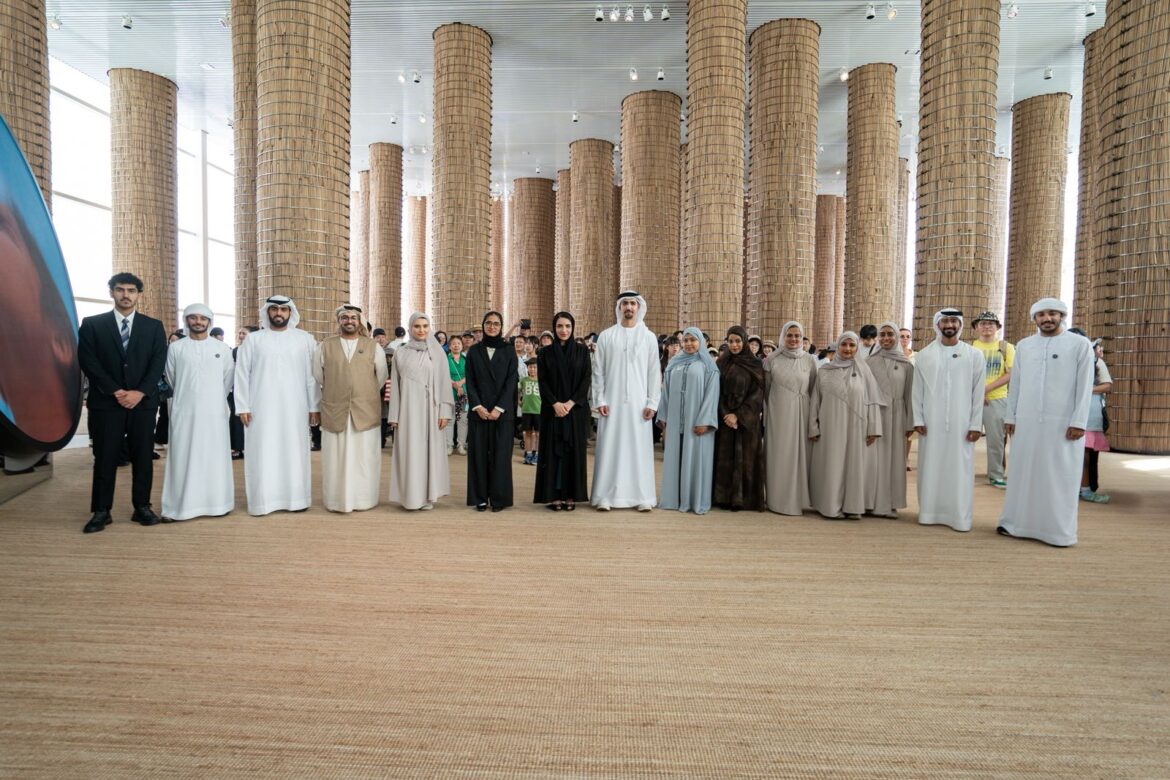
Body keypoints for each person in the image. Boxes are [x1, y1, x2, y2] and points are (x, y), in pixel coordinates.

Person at [998, 298, 1095, 547]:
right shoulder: (1025, 346)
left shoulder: (1079, 344)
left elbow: (1085, 386)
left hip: (1063, 423)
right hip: (1027, 420)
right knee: (1024, 472)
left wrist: (1079, 421)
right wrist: (1011, 415)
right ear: (1035, 319)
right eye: (1041, 315)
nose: (1047, 318)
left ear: (1062, 316)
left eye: (1052, 313)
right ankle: (1016, 524)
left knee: (1059, 475)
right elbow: (1016, 383)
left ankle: (1058, 532)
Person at [77, 272, 168, 533]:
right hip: (107, 403)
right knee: (105, 457)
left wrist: (140, 392)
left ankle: (142, 507)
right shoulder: (93, 324)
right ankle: (101, 511)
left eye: (131, 290)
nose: (125, 295)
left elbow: (157, 363)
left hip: (143, 403)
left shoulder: (153, 326)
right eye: (120, 289)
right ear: (111, 293)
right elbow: (88, 361)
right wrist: (115, 391)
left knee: (143, 457)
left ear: (139, 294)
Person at [233, 294, 320, 516]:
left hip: (296, 407)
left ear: (290, 312)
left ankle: (297, 500)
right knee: (263, 451)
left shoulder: (305, 339)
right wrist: (242, 406)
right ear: (267, 312)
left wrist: (314, 406)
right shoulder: (253, 340)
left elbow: (312, 376)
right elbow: (242, 373)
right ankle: (263, 502)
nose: (278, 313)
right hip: (260, 407)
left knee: (295, 451)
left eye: (283, 309)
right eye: (274, 309)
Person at [912, 309, 985, 532]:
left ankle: (959, 517)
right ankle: (929, 513)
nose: (949, 325)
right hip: (931, 423)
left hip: (962, 423)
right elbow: (917, 390)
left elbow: (978, 393)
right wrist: (918, 418)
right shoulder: (925, 355)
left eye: (954, 321)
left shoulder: (974, 355)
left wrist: (976, 424)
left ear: (960, 325)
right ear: (938, 325)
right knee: (930, 467)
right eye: (945, 321)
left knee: (960, 470)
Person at [161, 303, 234, 521]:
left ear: (209, 322)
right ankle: (179, 507)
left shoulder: (222, 349)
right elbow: (171, 378)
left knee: (214, 456)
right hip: (185, 410)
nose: (198, 322)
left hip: (214, 412)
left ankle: (217, 504)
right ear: (186, 321)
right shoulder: (176, 348)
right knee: (183, 456)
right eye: (193, 318)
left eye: (203, 318)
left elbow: (227, 381)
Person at [313, 304, 388, 513]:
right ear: (339, 321)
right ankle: (336, 500)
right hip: (335, 409)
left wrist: (362, 390)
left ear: (359, 321)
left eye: (353, 318)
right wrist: (339, 387)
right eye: (344, 317)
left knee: (364, 457)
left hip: (364, 410)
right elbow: (318, 375)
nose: (349, 321)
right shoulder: (325, 346)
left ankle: (364, 499)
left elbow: (381, 377)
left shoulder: (373, 346)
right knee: (335, 457)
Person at [591, 291, 661, 511]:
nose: (629, 307)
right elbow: (598, 371)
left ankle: (642, 497)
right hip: (610, 403)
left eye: (632, 303)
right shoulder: (606, 336)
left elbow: (654, 372)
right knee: (610, 448)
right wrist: (600, 399)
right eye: (625, 304)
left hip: (639, 405)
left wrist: (652, 403)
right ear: (619, 308)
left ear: (639, 307)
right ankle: (605, 497)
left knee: (638, 449)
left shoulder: (648, 337)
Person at [808, 332, 883, 520]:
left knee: (853, 465)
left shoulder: (864, 371)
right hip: (830, 425)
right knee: (833, 464)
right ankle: (831, 506)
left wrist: (874, 427)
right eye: (844, 345)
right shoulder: (825, 370)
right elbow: (816, 400)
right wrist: (813, 426)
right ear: (838, 346)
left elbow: (872, 400)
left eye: (852, 345)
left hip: (857, 427)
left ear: (857, 348)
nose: (847, 349)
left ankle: (852, 506)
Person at [387, 312, 453, 510]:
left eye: (425, 326)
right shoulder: (400, 352)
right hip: (407, 411)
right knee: (410, 452)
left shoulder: (437, 352)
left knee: (428, 453)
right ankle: (410, 497)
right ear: (410, 328)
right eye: (417, 326)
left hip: (431, 410)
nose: (421, 330)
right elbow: (395, 385)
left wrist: (444, 411)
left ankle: (427, 496)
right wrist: (394, 415)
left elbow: (444, 383)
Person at [657, 327, 719, 514]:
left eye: (693, 340)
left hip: (697, 422)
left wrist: (705, 420)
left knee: (695, 459)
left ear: (701, 342)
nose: (689, 344)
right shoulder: (674, 363)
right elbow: (666, 392)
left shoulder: (708, 366)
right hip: (676, 421)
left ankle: (693, 499)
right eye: (686, 340)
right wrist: (664, 417)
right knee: (675, 457)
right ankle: (674, 499)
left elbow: (712, 395)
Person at [534, 312, 592, 511]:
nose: (564, 330)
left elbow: (586, 379)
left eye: (567, 326)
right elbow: (542, 381)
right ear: (554, 328)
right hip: (552, 410)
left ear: (573, 327)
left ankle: (571, 495)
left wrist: (570, 403)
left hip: (574, 411)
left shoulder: (582, 351)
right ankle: (554, 496)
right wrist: (555, 403)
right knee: (553, 453)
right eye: (559, 326)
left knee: (573, 452)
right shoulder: (545, 353)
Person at [464, 311, 518, 511]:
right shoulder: (474, 351)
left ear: (501, 327)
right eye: (488, 323)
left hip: (502, 413)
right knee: (478, 456)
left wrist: (498, 408)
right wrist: (477, 406)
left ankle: (499, 498)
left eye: (496, 323)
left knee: (501, 456)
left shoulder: (509, 351)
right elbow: (470, 381)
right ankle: (479, 497)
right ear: (483, 325)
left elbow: (511, 381)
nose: (492, 327)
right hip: (479, 412)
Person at [763, 321, 817, 516]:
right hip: (779, 412)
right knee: (780, 454)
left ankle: (798, 500)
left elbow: (813, 388)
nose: (794, 339)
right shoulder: (772, 359)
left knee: (800, 454)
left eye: (798, 336)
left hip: (802, 411)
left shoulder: (809, 360)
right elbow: (766, 389)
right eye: (790, 335)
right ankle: (776, 500)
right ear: (783, 336)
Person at [713, 325, 767, 511]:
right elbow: (716, 391)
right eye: (731, 341)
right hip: (725, 419)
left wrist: (738, 415)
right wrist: (726, 413)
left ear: (744, 342)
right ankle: (724, 497)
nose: (734, 345)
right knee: (725, 459)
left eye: (738, 341)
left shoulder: (755, 364)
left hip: (746, 421)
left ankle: (743, 499)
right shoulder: (721, 362)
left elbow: (757, 394)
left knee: (746, 459)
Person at [864, 322, 914, 518]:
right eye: (882, 334)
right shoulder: (869, 362)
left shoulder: (906, 365)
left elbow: (909, 394)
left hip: (897, 416)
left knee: (894, 459)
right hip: (875, 415)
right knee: (873, 459)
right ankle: (870, 501)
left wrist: (910, 422)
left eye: (890, 334)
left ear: (896, 337)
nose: (886, 338)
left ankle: (890, 503)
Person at [971, 311, 1014, 487]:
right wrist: (976, 393)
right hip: (971, 399)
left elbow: (1011, 373)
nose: (987, 326)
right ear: (976, 327)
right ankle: (962, 473)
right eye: (982, 323)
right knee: (964, 437)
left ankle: (996, 475)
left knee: (996, 440)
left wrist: (986, 390)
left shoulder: (1006, 347)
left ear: (997, 327)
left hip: (997, 399)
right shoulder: (970, 347)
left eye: (991, 323)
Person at [1081, 338, 1112, 503]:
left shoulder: (1097, 363)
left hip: (1090, 415)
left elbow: (1107, 386)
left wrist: (1086, 389)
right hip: (1071, 414)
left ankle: (1087, 489)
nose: (1100, 351)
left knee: (1086, 456)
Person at [445, 333, 468, 455]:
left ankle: (461, 445)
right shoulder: (445, 359)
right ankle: (448, 445)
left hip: (464, 394)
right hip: (449, 393)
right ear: (449, 346)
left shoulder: (466, 359)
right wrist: (454, 384)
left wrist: (460, 383)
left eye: (458, 343)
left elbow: (471, 374)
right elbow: (442, 374)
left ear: (462, 346)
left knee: (463, 420)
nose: (456, 345)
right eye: (453, 343)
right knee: (450, 420)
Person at [519, 358, 541, 465]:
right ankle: (528, 453)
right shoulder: (523, 380)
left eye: (535, 367)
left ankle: (536, 454)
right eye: (530, 367)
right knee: (526, 432)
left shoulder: (542, 381)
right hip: (527, 410)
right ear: (527, 368)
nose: (532, 369)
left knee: (537, 433)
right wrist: (519, 401)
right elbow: (517, 390)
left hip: (538, 410)